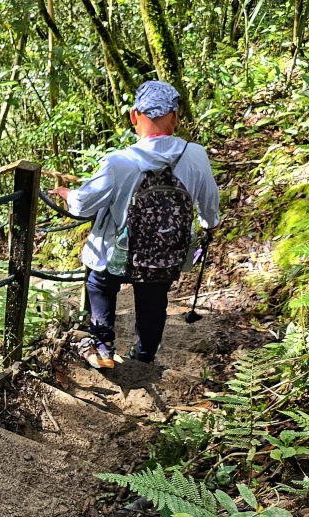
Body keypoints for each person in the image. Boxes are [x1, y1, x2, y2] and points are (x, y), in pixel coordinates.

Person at [52, 80, 219, 369]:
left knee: (99, 282)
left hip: (117, 255)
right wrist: (207, 226)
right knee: (154, 297)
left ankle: (103, 347)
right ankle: (144, 356)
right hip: (163, 255)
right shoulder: (195, 155)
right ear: (176, 117)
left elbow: (82, 206)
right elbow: (209, 207)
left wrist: (68, 195)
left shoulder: (120, 162)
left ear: (134, 116)